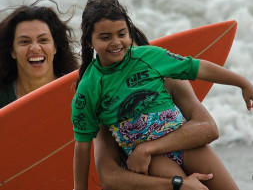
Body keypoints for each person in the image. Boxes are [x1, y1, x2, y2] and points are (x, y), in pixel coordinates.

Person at [72, 0, 253, 190]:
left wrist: (242, 82)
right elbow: (82, 145)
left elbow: (196, 67)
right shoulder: (89, 87)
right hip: (152, 160)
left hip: (184, 143)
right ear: (88, 41)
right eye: (105, 37)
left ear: (129, 32)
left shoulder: (149, 57)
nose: (116, 42)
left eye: (121, 34)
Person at [94, 27, 239, 190]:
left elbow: (209, 128)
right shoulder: (106, 100)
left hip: (180, 149)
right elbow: (108, 176)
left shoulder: (167, 77)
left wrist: (147, 148)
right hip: (147, 166)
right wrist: (178, 184)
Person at [0, 0, 79, 108]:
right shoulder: (3, 97)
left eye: (43, 40)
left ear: (55, 47)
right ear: (12, 51)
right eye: (24, 41)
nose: (35, 48)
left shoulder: (80, 92)